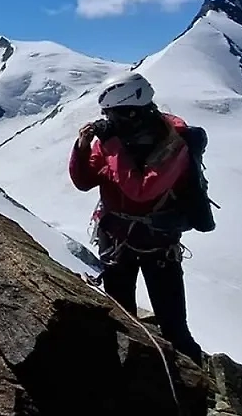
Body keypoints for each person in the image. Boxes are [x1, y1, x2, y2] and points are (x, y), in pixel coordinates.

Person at [69, 71, 204, 364]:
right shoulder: (115, 139)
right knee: (122, 316)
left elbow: (142, 189)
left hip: (156, 244)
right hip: (120, 240)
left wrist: (112, 145)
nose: (108, 119)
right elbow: (84, 180)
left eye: (113, 113)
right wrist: (82, 148)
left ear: (132, 111)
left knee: (173, 326)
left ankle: (192, 390)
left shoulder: (172, 143)